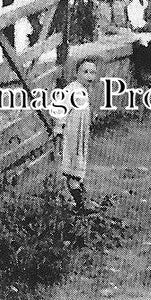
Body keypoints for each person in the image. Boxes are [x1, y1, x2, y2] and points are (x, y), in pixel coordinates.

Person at [52, 58, 100, 214]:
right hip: (71, 137)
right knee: (73, 171)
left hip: (81, 138)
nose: (89, 76)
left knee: (78, 169)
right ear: (77, 73)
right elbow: (60, 111)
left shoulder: (84, 91)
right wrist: (59, 132)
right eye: (85, 72)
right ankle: (80, 205)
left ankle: (82, 200)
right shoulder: (71, 90)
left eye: (92, 72)